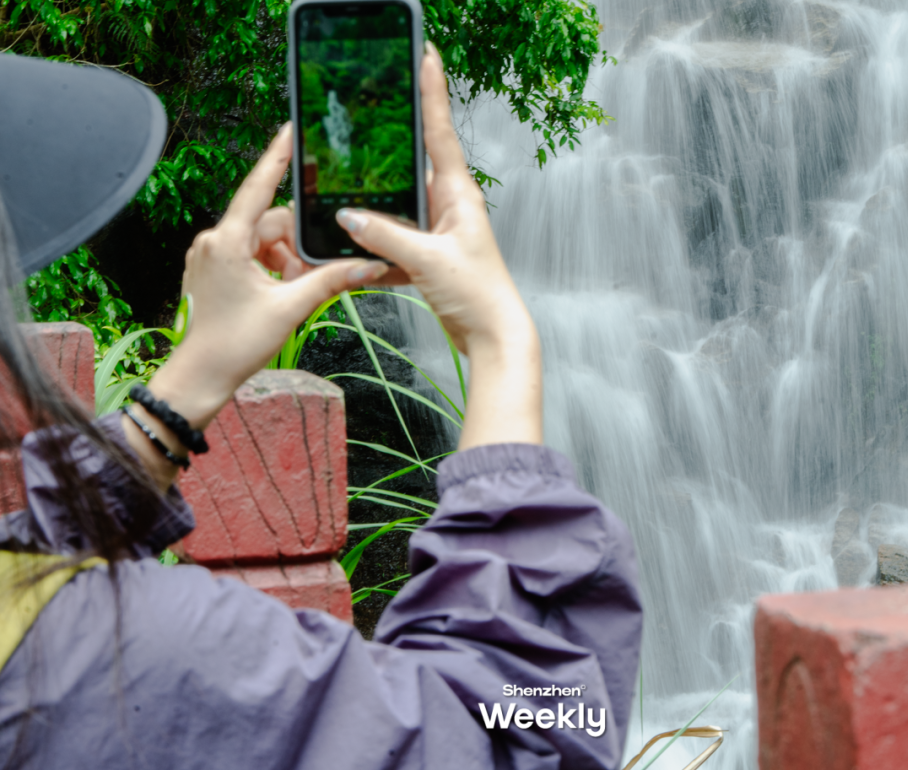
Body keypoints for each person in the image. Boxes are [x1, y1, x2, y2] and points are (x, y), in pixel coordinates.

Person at [0, 47, 643, 768]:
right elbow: (530, 734)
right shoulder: (148, 657)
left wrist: (177, 396)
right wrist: (501, 342)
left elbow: (29, 584)